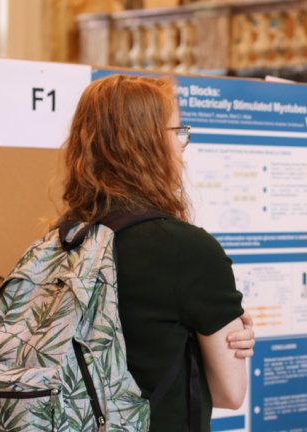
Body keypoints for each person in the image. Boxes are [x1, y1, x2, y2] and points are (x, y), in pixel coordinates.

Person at [60, 74, 250, 431]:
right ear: (146, 145)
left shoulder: (64, 237)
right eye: (177, 131)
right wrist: (215, 327)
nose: (182, 145)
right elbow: (231, 392)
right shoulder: (187, 250)